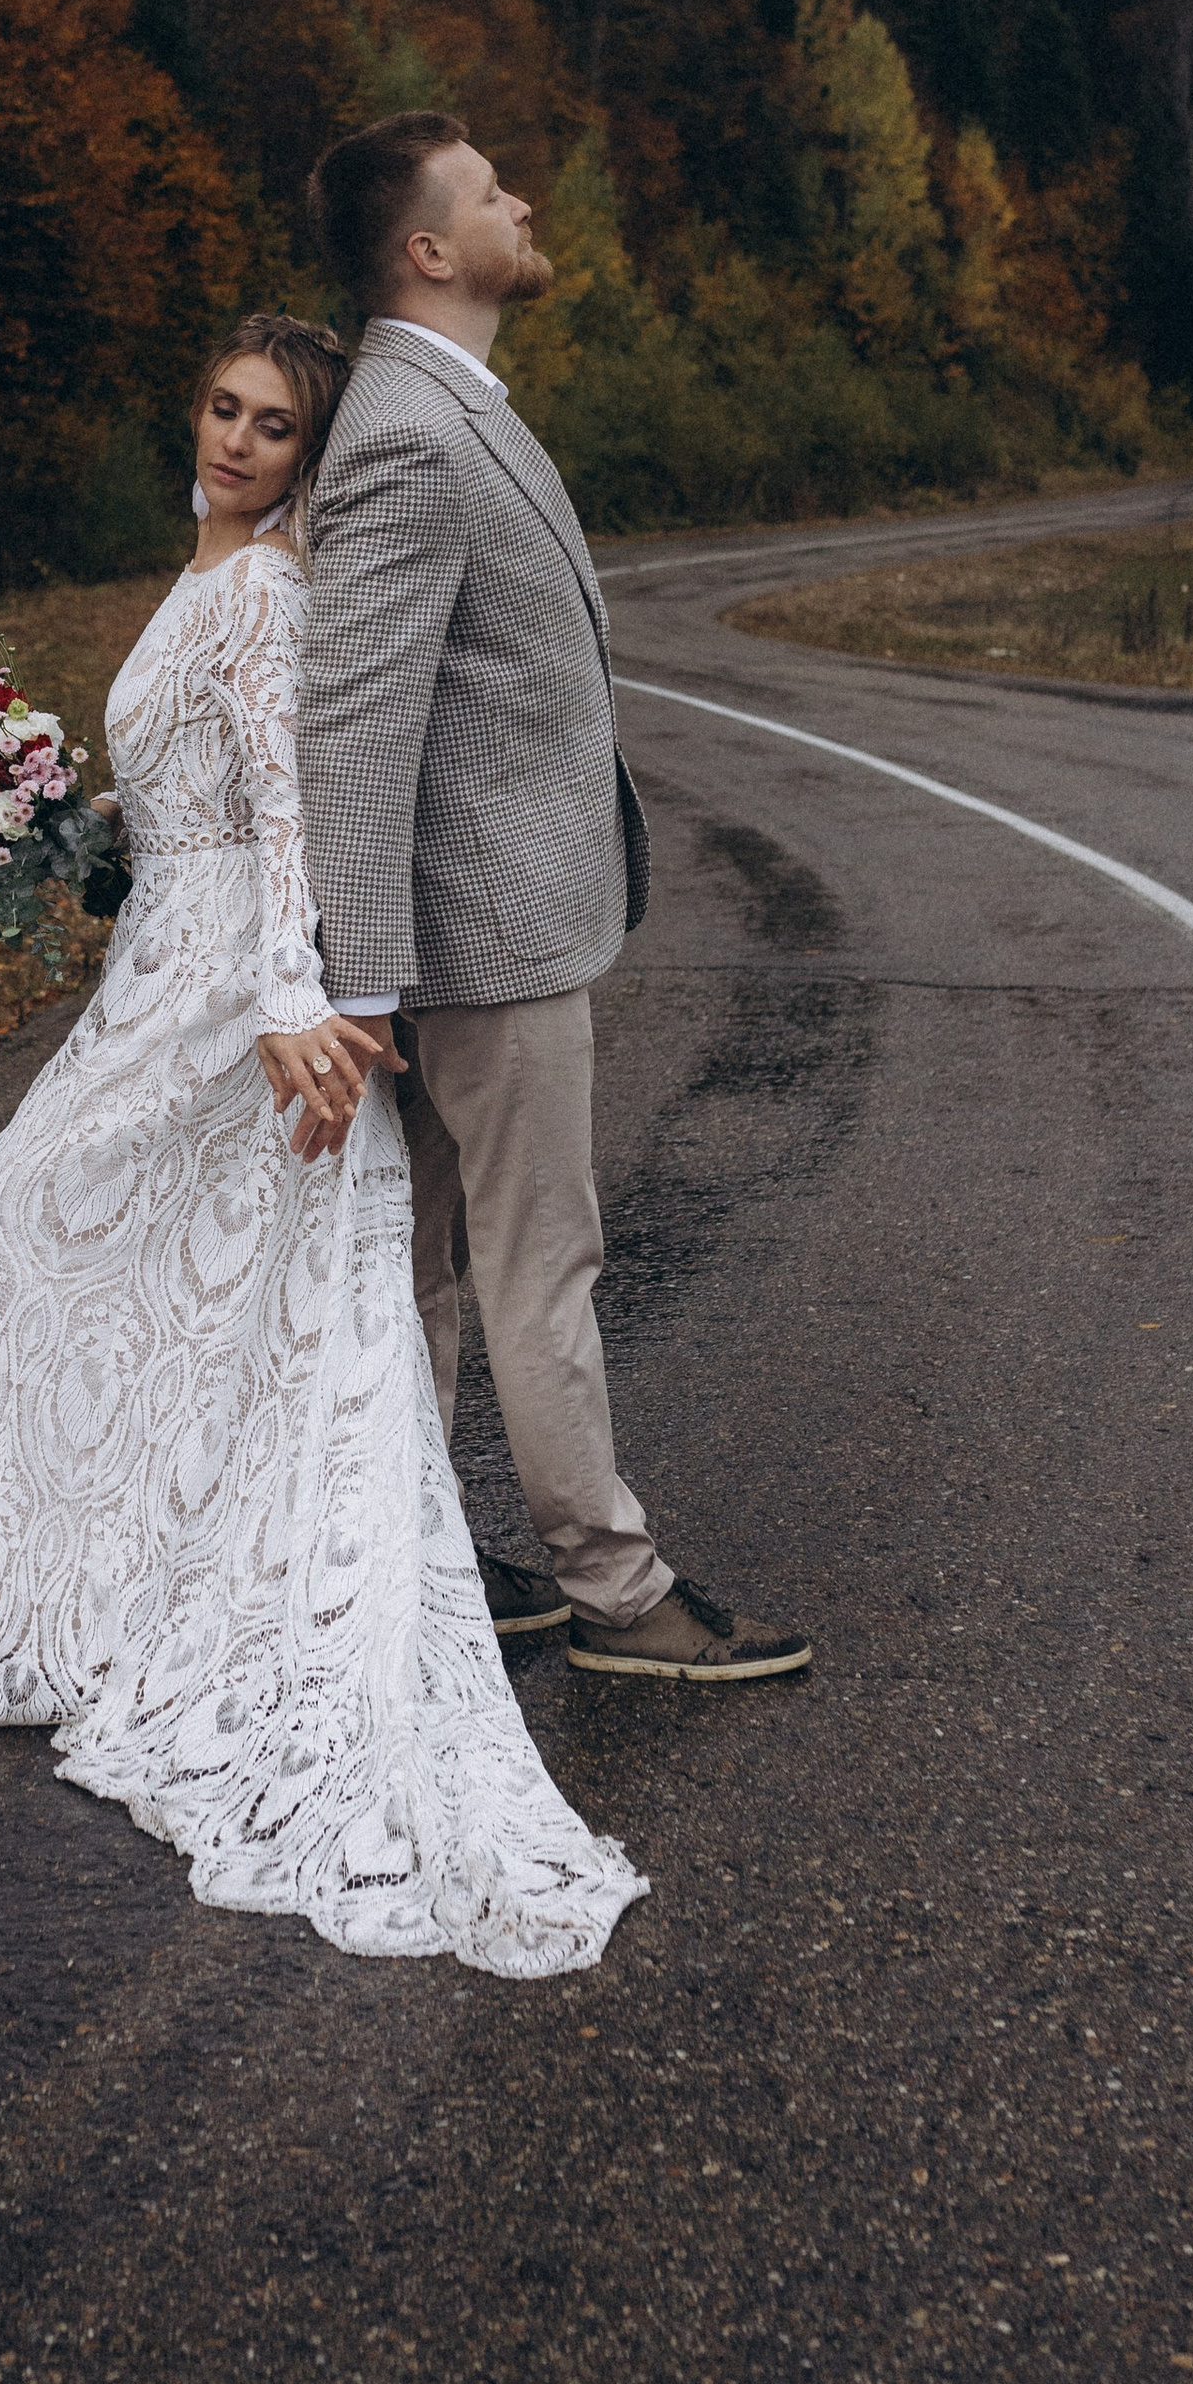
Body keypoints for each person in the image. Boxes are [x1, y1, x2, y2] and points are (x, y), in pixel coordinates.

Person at [0, 313, 645, 1975]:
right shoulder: (199, 574)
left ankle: (163, 1599)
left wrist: (302, 1001)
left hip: (233, 987)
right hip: (161, 952)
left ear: (311, 458)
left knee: (16, 1230)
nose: (238, 443)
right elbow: (195, 796)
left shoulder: (265, 595)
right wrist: (35, 821)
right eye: (224, 409)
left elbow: (298, 806)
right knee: (62, 1251)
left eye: (276, 428)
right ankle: (105, 1584)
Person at [296, 112, 814, 1689]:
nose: (524, 201)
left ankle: (420, 1554)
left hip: (473, 936)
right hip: (474, 948)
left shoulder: (451, 407)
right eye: (490, 192)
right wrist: (365, 983)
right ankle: (617, 1591)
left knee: (431, 1268)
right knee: (537, 1264)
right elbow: (355, 727)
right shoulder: (402, 429)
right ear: (430, 252)